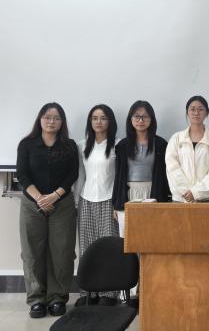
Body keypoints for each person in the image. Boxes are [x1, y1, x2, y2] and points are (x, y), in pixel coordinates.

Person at [16, 103, 78, 318]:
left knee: (62, 252)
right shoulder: (26, 144)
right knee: (32, 252)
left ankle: (57, 298)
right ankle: (36, 299)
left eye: (56, 118)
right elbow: (22, 174)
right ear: (40, 119)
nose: (51, 121)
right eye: (47, 117)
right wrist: (40, 198)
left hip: (62, 205)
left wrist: (54, 196)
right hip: (32, 205)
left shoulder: (69, 145)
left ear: (62, 122)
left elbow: (72, 174)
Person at [75, 104, 119, 307]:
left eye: (103, 118)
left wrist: (117, 204)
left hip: (108, 201)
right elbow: (80, 176)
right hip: (86, 200)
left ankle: (109, 293)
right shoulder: (82, 145)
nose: (98, 122)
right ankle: (89, 292)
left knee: (109, 249)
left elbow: (119, 177)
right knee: (87, 248)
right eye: (94, 118)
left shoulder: (118, 145)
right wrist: (77, 202)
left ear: (110, 121)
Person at [112, 100, 170, 236]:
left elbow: (164, 175)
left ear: (152, 119)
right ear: (130, 119)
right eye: (136, 116)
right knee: (128, 238)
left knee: (152, 236)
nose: (140, 120)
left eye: (145, 116)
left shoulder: (161, 144)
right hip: (128, 194)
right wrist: (116, 203)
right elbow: (118, 176)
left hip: (152, 193)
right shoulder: (122, 145)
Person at [166, 96, 209, 202]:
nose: (196, 113)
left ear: (207, 113)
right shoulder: (176, 139)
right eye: (192, 109)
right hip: (181, 199)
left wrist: (196, 193)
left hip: (206, 199)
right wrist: (186, 193)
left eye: (200, 109)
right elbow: (172, 168)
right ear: (187, 113)